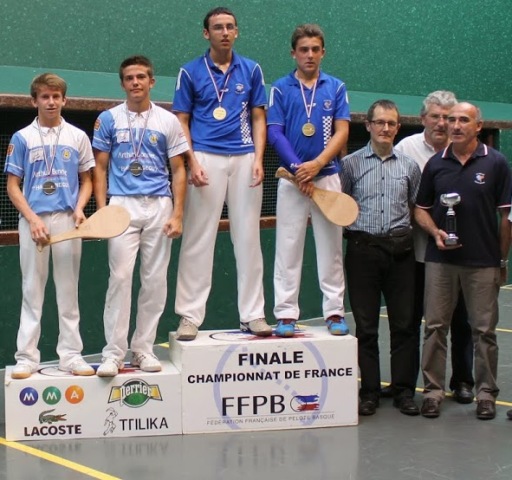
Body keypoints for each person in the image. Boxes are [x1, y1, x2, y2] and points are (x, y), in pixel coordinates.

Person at [172, 6, 271, 340]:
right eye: (218, 27)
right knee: (198, 239)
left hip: (244, 159)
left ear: (237, 32)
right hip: (205, 158)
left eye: (230, 27)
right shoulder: (190, 72)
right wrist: (191, 161)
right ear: (206, 33)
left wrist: (259, 157)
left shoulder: (252, 69)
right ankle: (189, 316)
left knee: (248, 238)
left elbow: (258, 117)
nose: (225, 32)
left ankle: (254, 314)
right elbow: (181, 121)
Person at [415, 102, 512, 420]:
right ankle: (432, 392)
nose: (455, 125)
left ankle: (486, 394)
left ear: (478, 126)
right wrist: (435, 233)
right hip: (440, 261)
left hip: (483, 262)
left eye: (463, 120)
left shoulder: (496, 163)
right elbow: (421, 209)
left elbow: (506, 216)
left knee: (484, 330)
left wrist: (501, 259)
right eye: (451, 119)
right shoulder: (435, 165)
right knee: (435, 327)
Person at [92, 55, 188, 376]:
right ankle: (113, 353)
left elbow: (178, 170)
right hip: (121, 206)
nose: (136, 83)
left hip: (159, 205)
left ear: (151, 81)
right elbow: (100, 167)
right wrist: (102, 210)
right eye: (130, 78)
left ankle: (143, 349)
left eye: (141, 77)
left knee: (155, 281)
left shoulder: (168, 121)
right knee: (119, 278)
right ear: (122, 83)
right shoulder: (108, 119)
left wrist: (177, 213)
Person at [382, 91, 475, 403]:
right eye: (435, 116)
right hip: (414, 254)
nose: (441, 123)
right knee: (409, 321)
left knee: (461, 320)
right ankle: (404, 385)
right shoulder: (405, 149)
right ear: (423, 119)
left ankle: (462, 381)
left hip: (457, 255)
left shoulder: (462, 150)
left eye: (447, 117)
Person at [4, 73, 96, 379]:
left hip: (68, 220)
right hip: (34, 222)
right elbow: (13, 185)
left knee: (68, 291)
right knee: (32, 290)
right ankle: (27, 358)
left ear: (64, 100)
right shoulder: (22, 138)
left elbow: (87, 180)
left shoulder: (78, 137)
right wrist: (31, 218)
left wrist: (81, 208)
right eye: (45, 97)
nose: (51, 102)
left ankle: (71, 355)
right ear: (34, 101)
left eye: (56, 96)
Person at [267, 24, 350, 337]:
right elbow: (275, 131)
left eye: (315, 49)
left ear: (323, 52)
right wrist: (297, 168)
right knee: (288, 247)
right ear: (294, 53)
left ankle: (334, 311)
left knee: (330, 248)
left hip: (327, 179)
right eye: (304, 49)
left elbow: (341, 130)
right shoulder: (280, 88)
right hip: (291, 180)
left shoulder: (336, 88)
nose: (310, 55)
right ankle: (286, 314)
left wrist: (316, 164)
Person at [340, 99, 421, 416]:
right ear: (369, 126)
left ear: (397, 128)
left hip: (401, 253)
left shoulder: (410, 167)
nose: (385, 128)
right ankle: (370, 391)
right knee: (366, 327)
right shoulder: (351, 165)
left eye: (391, 123)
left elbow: (415, 208)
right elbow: (341, 206)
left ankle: (403, 392)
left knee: (404, 325)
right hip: (363, 253)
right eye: (380, 122)